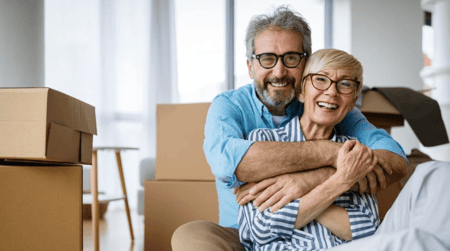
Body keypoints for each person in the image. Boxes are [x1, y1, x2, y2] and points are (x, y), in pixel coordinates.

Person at [172, 6, 407, 251]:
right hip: (243, 236)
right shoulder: (230, 106)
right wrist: (335, 156)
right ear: (251, 66)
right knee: (191, 235)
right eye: (267, 59)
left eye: (291, 58)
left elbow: (395, 161)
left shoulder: (329, 106)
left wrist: (310, 181)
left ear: (306, 64)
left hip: (331, 240)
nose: (279, 71)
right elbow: (228, 164)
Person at [239, 49, 380, 250]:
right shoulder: (263, 141)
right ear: (301, 92)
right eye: (321, 80)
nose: (332, 92)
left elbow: (368, 230)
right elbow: (262, 229)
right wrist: (342, 181)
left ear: (353, 101)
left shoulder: (356, 152)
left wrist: (301, 196)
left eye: (346, 84)